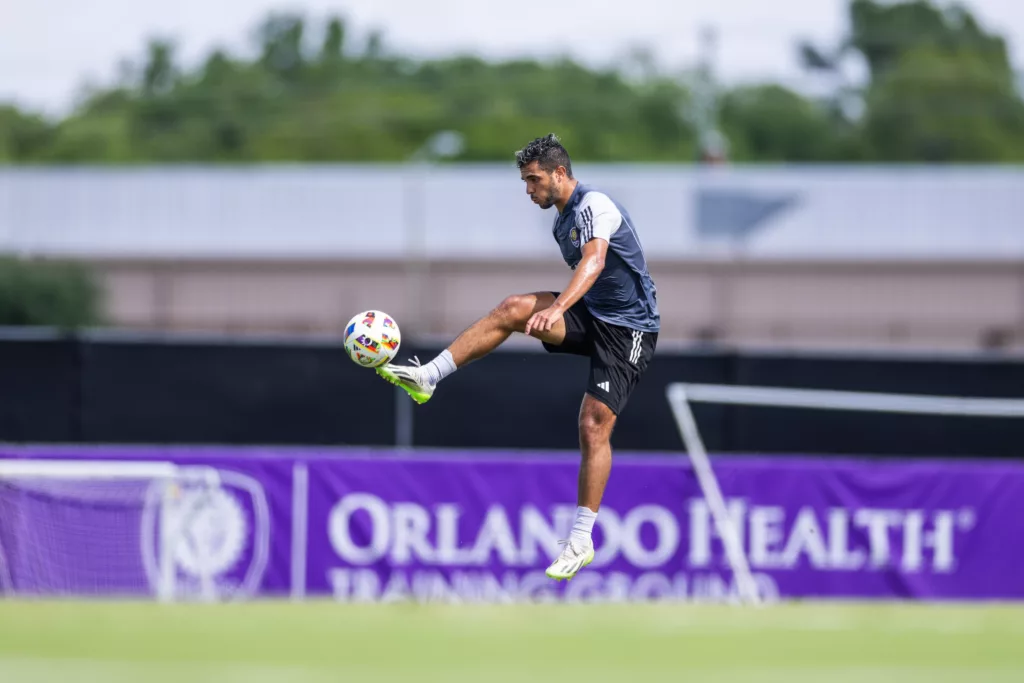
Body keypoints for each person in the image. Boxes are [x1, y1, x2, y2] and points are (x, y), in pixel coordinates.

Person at [376, 134, 660, 581]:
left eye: (533, 180)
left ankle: (581, 539)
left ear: (559, 173)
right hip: (594, 316)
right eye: (525, 181)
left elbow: (595, 262)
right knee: (511, 308)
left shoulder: (595, 205)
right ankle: (430, 375)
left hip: (631, 329)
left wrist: (558, 308)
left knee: (593, 422)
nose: (529, 190)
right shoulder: (560, 221)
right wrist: (561, 309)